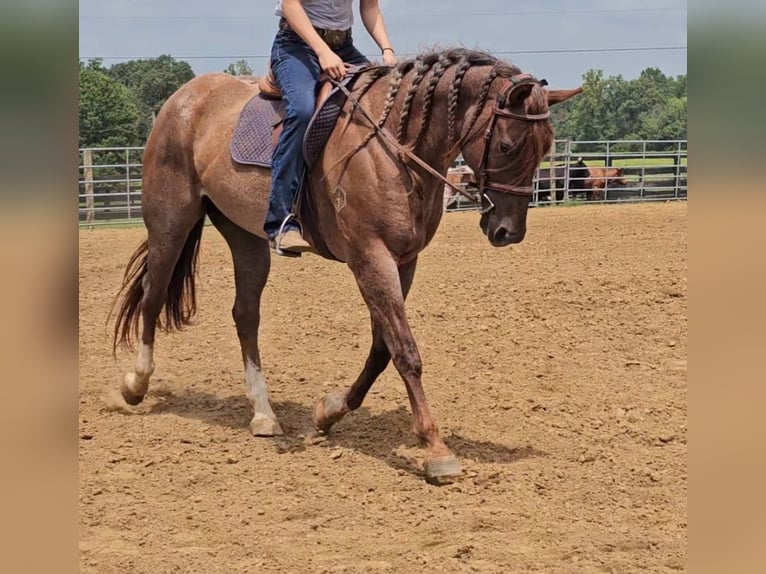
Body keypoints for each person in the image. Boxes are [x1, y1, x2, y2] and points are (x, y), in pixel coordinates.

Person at [265, 0, 398, 255]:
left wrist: (387, 51)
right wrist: (322, 51)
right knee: (302, 111)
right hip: (296, 45)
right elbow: (289, 5)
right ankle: (280, 222)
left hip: (344, 47)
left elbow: (369, 7)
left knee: (384, 101)